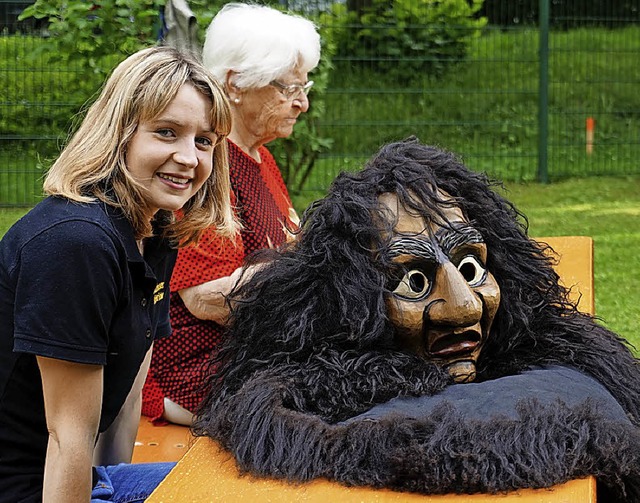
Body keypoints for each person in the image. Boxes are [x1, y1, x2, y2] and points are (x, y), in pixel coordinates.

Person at [193, 139, 640, 501]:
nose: (463, 307)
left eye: (470, 268)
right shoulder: (305, 402)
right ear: (354, 307)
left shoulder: (564, 363)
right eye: (414, 281)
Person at [0, 45, 236, 502]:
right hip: (28, 486)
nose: (189, 158)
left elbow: (127, 393)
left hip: (85, 480)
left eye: (204, 141)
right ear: (119, 134)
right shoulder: (76, 243)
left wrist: (117, 488)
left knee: (256, 480)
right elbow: (67, 433)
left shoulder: (154, 230)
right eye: (167, 133)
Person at [142, 2, 321, 425]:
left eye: (304, 88)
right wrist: (321, 272)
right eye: (287, 89)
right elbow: (208, 298)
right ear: (236, 84)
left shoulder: (259, 158)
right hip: (203, 374)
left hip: (255, 359)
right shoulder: (204, 166)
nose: (302, 104)